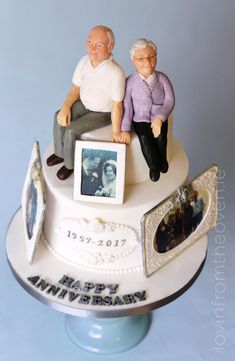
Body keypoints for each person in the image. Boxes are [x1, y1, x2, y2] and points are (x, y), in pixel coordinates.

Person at [47, 25, 125, 180]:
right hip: (84, 103)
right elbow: (76, 88)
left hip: (103, 112)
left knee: (72, 130)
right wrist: (66, 107)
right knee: (59, 116)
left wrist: (116, 132)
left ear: (110, 47)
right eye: (90, 42)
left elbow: (117, 105)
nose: (92, 48)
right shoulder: (83, 61)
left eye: (99, 45)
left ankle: (70, 165)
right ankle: (60, 153)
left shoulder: (115, 72)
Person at [120, 38, 175, 182]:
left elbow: (170, 100)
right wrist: (125, 128)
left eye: (151, 57)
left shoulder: (162, 79)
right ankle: (153, 166)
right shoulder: (130, 82)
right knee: (145, 139)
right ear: (133, 60)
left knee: (162, 137)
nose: (147, 62)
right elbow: (127, 106)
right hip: (140, 118)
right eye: (141, 59)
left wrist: (160, 117)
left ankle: (163, 159)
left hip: (159, 116)